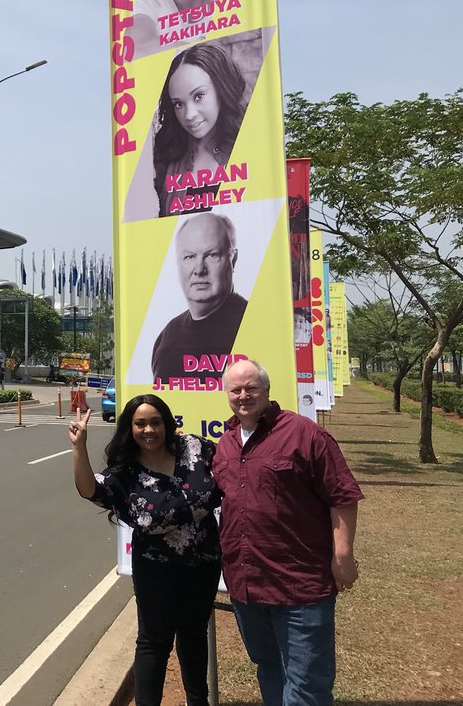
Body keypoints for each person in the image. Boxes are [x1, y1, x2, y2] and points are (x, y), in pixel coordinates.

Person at [212, 359, 364, 706]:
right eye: (235, 389)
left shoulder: (304, 434)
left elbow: (342, 495)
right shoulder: (226, 444)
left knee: (306, 683)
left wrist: (342, 556)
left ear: (267, 391)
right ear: (227, 395)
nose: (243, 395)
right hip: (246, 585)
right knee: (268, 667)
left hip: (299, 587)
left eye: (251, 388)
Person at [69, 395, 222, 706]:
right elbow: (90, 490)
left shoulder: (194, 448)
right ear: (131, 428)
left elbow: (229, 472)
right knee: (154, 642)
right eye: (140, 423)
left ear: (167, 423)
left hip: (203, 564)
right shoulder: (125, 473)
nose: (149, 429)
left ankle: (197, 700)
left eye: (155, 422)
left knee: (193, 635)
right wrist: (78, 446)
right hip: (156, 570)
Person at [152, 41, 249, 218]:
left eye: (198, 96)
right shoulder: (167, 158)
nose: (189, 115)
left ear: (221, 88)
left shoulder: (249, 143)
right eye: (178, 104)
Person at [151, 213, 247, 386]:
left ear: (234, 259)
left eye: (212, 255)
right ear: (178, 263)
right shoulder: (167, 336)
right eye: (189, 257)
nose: (199, 269)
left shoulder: (252, 323)